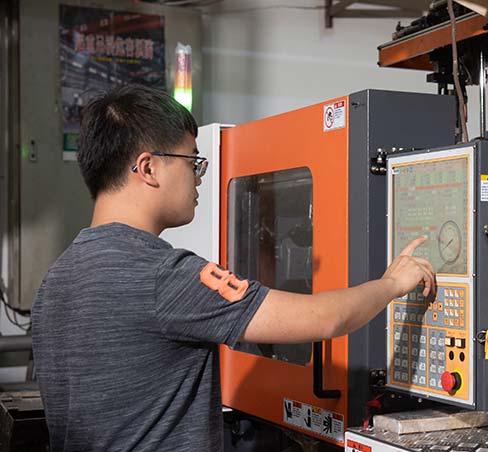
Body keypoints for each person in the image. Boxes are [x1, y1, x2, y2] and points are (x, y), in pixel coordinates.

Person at [31, 84, 436, 452]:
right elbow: (324, 319)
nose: (199, 179)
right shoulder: (165, 276)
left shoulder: (56, 279)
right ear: (148, 168)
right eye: (192, 162)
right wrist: (391, 283)